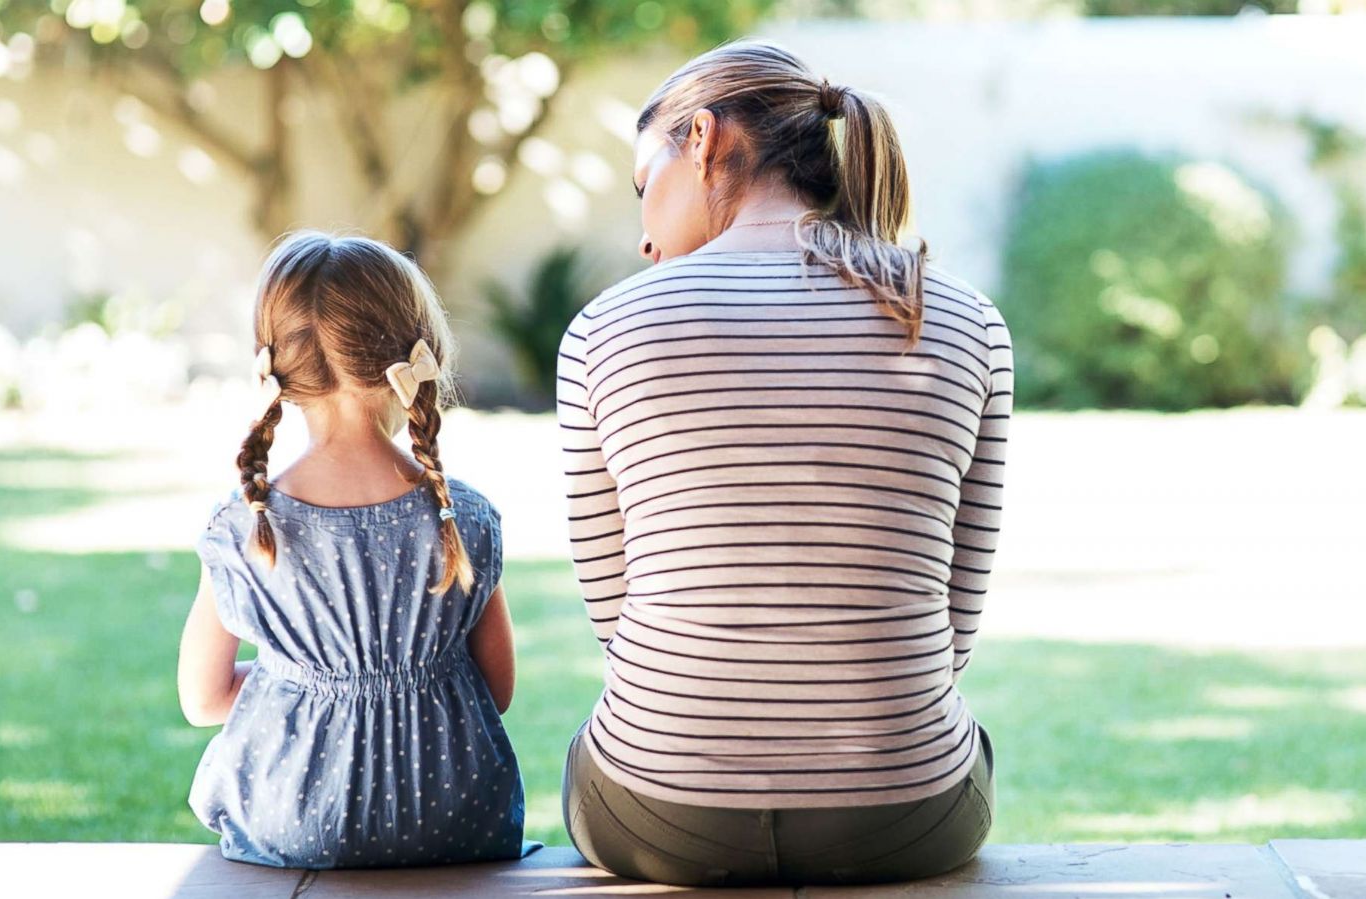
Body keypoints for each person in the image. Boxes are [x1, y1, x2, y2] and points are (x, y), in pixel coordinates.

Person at [556, 40, 1013, 886]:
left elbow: (617, 618)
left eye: (641, 185)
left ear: (701, 138)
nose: (644, 235)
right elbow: (954, 620)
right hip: (905, 813)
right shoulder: (963, 319)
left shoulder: (604, 329)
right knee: (965, 740)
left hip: (661, 813)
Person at [177, 229, 532, 868]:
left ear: (275, 369)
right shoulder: (465, 517)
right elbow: (497, 689)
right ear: (416, 354)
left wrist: (306, 678)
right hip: (453, 820)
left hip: (292, 823)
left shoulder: (245, 525)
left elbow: (202, 700)